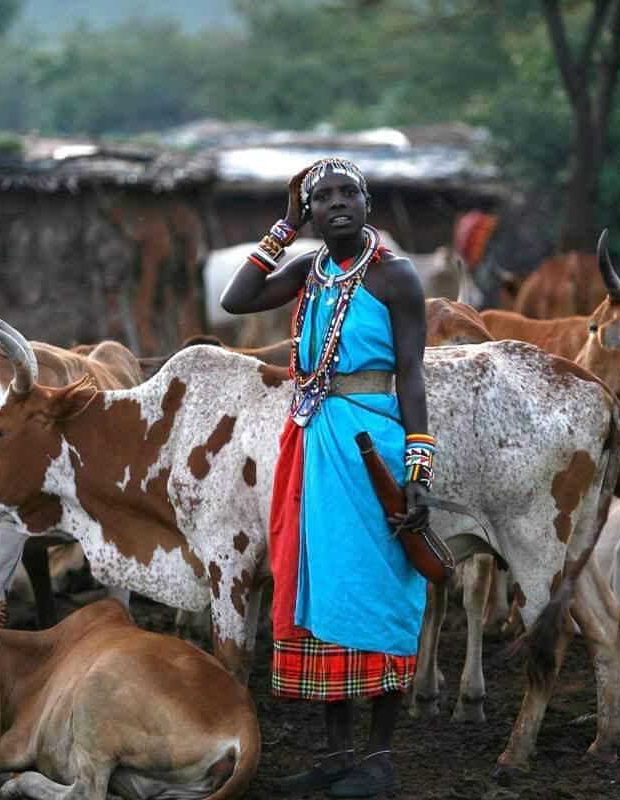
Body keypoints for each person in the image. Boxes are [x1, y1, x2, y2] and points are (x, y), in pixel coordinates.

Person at [220, 158, 434, 798]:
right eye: (321, 198)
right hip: (313, 446)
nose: (336, 204)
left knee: (381, 590)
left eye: (348, 194)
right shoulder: (308, 272)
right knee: (320, 587)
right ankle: (340, 755)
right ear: (309, 212)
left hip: (373, 445)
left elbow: (413, 376)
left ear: (368, 203)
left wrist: (418, 468)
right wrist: (282, 228)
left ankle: (380, 756)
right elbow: (237, 300)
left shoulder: (396, 277)